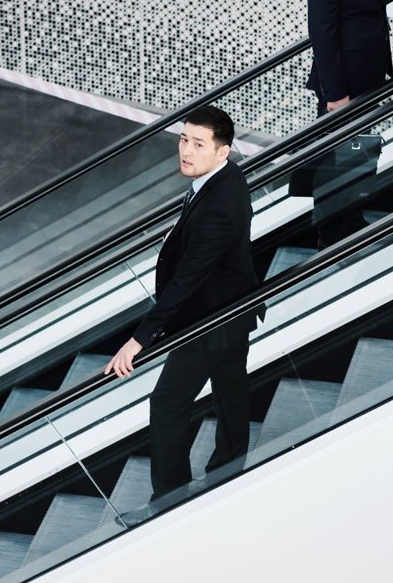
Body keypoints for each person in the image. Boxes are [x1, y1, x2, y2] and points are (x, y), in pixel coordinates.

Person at [105, 105, 260, 514]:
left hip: (211, 319)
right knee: (229, 397)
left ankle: (168, 502)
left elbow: (188, 278)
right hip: (225, 309)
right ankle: (227, 477)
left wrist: (140, 339)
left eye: (198, 144)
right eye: (184, 140)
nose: (186, 151)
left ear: (222, 151)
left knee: (168, 404)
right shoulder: (220, 179)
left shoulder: (220, 204)